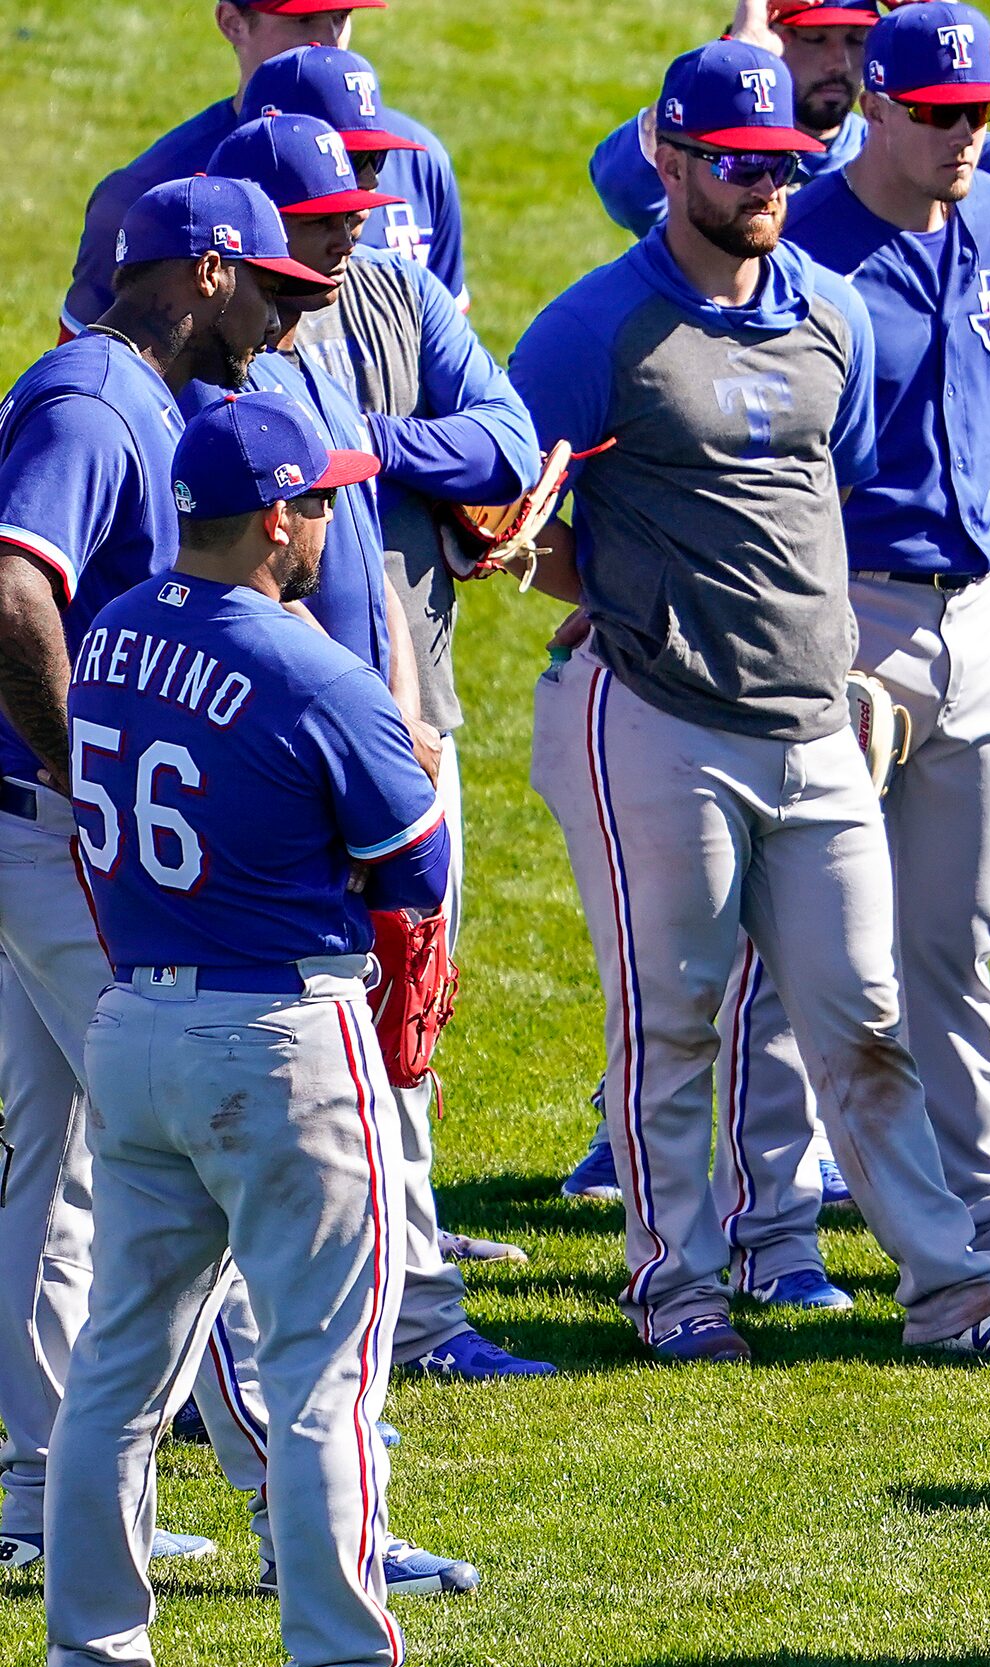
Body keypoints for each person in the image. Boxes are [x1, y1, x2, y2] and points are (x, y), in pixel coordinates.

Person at [513, 41, 990, 1365]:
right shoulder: (597, 327)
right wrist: (609, 592)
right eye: (735, 161)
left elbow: (833, 492)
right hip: (657, 718)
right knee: (673, 1021)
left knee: (865, 1016)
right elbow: (509, 509)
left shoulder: (829, 313)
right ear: (667, 160)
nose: (765, 181)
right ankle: (682, 1294)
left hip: (811, 719)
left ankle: (957, 1299)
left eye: (781, 159)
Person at [42, 391, 499, 1667]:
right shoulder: (312, 675)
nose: (331, 525)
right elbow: (415, 861)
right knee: (323, 1376)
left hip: (135, 1023)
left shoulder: (111, 632)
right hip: (279, 1039)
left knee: (119, 1370)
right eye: (321, 503)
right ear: (283, 517)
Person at [739, 0, 990, 1301]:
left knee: (956, 937)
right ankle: (775, 1232)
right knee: (801, 943)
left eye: (981, 119)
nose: (968, 138)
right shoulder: (807, 241)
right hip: (845, 612)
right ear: (877, 109)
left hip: (979, 612)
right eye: (944, 116)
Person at [195, 112, 552, 1391]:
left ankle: (406, 1312)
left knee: (394, 1032)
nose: (349, 239)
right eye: (322, 225)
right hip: (286, 755)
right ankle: (282, 1350)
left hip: (379, 728)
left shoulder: (338, 327)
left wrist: (393, 681)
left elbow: (503, 441)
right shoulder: (228, 367)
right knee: (289, 1059)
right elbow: (246, 575)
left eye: (357, 210)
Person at [0, 177, 314, 1578]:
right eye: (272, 288)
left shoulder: (127, 394)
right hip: (43, 829)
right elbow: (16, 584)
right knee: (210, 1140)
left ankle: (37, 1498)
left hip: (26, 827)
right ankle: (290, 1505)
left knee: (50, 1175)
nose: (283, 321)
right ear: (200, 272)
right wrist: (91, 775)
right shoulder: (88, 402)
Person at [61, 5, 467, 340]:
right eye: (304, 20)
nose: (329, 40)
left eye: (341, 17)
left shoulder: (419, 161)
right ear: (232, 22)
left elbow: (450, 357)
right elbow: (87, 385)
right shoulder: (148, 195)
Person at [584, 0, 990, 237]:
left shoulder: (917, 147)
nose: (838, 63)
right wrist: (734, 59)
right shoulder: (719, 167)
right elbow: (624, 186)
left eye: (856, 40)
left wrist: (969, 53)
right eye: (813, 40)